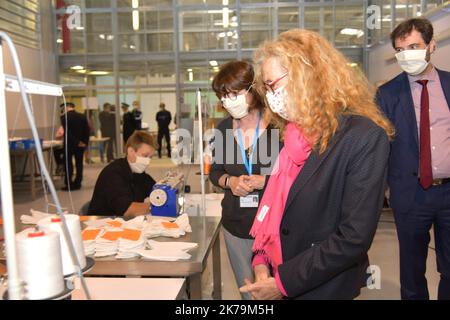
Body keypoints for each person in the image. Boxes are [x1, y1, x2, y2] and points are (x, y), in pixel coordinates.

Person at [239, 29, 394, 300]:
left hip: (323, 286)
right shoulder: (291, 135)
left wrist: (283, 283)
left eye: (273, 84)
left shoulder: (363, 137)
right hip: (278, 271)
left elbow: (353, 237)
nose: (271, 96)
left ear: (307, 76)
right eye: (266, 88)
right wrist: (262, 261)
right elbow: (277, 209)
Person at [376, 18, 450, 300]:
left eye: (414, 46)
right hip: (409, 194)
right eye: (400, 49)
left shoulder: (449, 84)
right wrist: (382, 191)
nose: (406, 54)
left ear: (432, 45)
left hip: (449, 192)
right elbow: (380, 147)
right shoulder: (386, 94)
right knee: (411, 271)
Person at [209, 60, 282, 300]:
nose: (229, 101)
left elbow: (297, 175)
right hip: (236, 224)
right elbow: (216, 171)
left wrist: (267, 181)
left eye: (235, 93)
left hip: (275, 226)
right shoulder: (223, 130)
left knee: (278, 290)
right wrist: (229, 182)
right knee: (249, 293)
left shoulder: (278, 126)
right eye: (224, 96)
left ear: (253, 90)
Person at [88, 131, 157, 218]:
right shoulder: (113, 174)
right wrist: (158, 205)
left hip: (123, 222)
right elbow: (127, 210)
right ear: (131, 151)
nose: (148, 162)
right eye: (145, 156)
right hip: (103, 224)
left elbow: (156, 190)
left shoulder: (138, 172)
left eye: (150, 157)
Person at [60, 102, 90, 191]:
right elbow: (87, 131)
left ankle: (69, 184)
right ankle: (78, 183)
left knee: (68, 164)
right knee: (79, 164)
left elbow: (67, 133)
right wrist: (84, 143)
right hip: (80, 145)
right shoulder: (82, 116)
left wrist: (76, 142)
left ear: (66, 107)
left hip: (69, 145)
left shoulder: (64, 117)